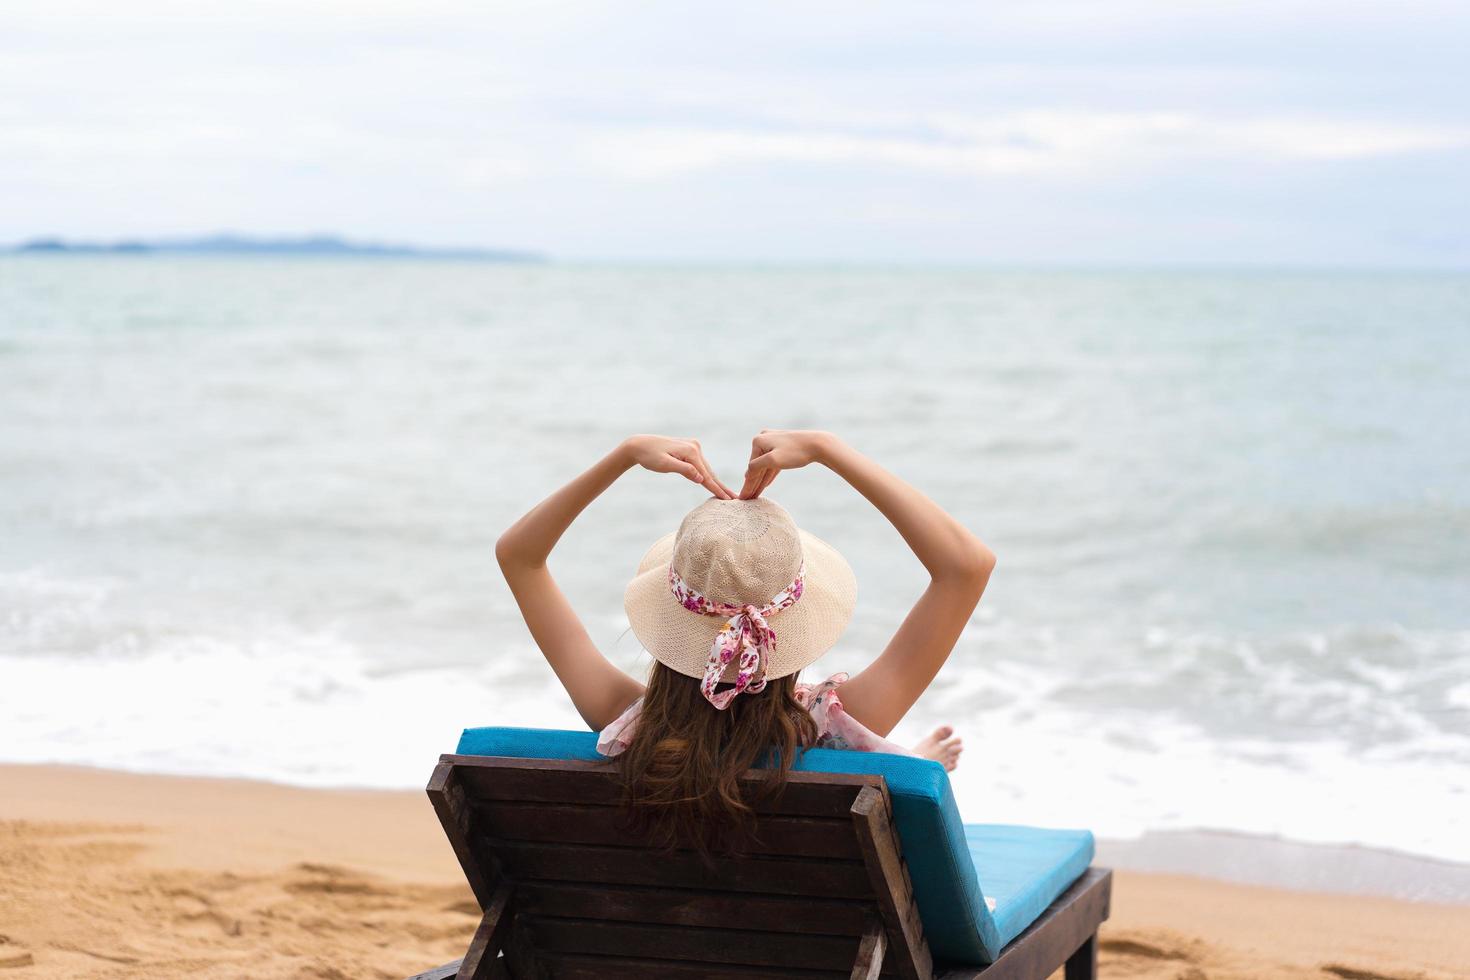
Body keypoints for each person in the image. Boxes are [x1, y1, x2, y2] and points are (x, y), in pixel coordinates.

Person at [495, 429, 995, 850]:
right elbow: (966, 567)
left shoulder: (625, 724)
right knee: (894, 772)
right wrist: (827, 448)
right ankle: (914, 762)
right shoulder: (839, 729)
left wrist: (622, 456)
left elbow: (519, 556)